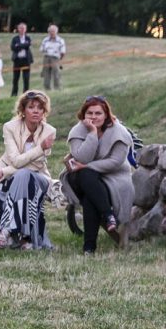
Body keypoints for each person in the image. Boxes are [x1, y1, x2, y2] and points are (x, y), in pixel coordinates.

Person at [61, 96, 134, 254]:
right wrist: (92, 133)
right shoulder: (78, 130)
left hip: (113, 176)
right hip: (79, 177)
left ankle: (89, 247)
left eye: (98, 113)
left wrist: (87, 166)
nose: (93, 117)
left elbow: (115, 162)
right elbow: (82, 157)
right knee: (86, 175)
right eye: (90, 113)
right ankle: (108, 215)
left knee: (89, 199)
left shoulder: (119, 132)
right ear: (84, 114)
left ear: (106, 114)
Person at [0, 90, 56, 250]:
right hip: (15, 176)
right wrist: (39, 148)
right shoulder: (10, 127)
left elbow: (34, 165)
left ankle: (7, 230)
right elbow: (14, 159)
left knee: (25, 173)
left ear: (44, 111)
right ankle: (26, 239)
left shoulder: (50, 131)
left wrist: (5, 172)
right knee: (22, 178)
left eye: (40, 108)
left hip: (39, 177)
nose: (36, 111)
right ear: (23, 110)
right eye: (31, 107)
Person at [40, 24, 67, 90]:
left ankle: (57, 88)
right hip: (46, 57)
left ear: (56, 32)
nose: (52, 33)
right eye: (50, 31)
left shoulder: (60, 40)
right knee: (46, 74)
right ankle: (47, 89)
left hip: (55, 58)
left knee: (56, 74)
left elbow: (63, 52)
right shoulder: (45, 40)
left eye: (53, 31)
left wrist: (59, 59)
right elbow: (41, 49)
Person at [10, 22, 33, 96]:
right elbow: (13, 48)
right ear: (18, 29)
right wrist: (23, 45)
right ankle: (14, 94)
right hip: (17, 60)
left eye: (23, 28)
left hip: (26, 61)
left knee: (26, 78)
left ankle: (26, 94)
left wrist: (19, 46)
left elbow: (28, 45)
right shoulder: (15, 38)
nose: (22, 30)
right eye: (21, 28)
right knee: (15, 79)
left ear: (25, 29)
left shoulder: (28, 38)